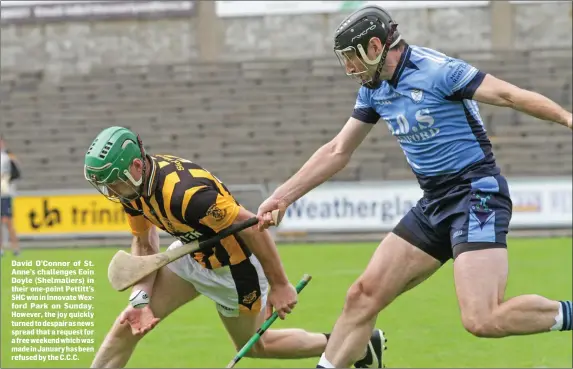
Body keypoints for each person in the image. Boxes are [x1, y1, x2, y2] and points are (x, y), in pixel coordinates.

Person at [256, 5, 573, 369]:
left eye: (351, 58)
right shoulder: (374, 89)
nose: (348, 69)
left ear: (375, 46)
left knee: (482, 319)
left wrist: (567, 118)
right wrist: (282, 197)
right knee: (362, 296)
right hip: (435, 201)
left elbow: (510, 95)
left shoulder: (439, 71)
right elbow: (338, 150)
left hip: (477, 194)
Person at [84, 126, 385, 368]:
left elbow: (251, 225)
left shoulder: (187, 195)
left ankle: (356, 346)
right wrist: (140, 301)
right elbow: (144, 245)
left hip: (234, 270)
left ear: (136, 166)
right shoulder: (132, 191)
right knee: (127, 324)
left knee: (256, 347)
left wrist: (280, 285)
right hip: (191, 254)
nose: (111, 192)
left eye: (114, 183)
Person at [0, 135, 21, 257]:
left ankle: (15, 247)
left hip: (5, 193)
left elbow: (14, 173)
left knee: (8, 221)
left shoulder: (7, 157)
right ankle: (1, 248)